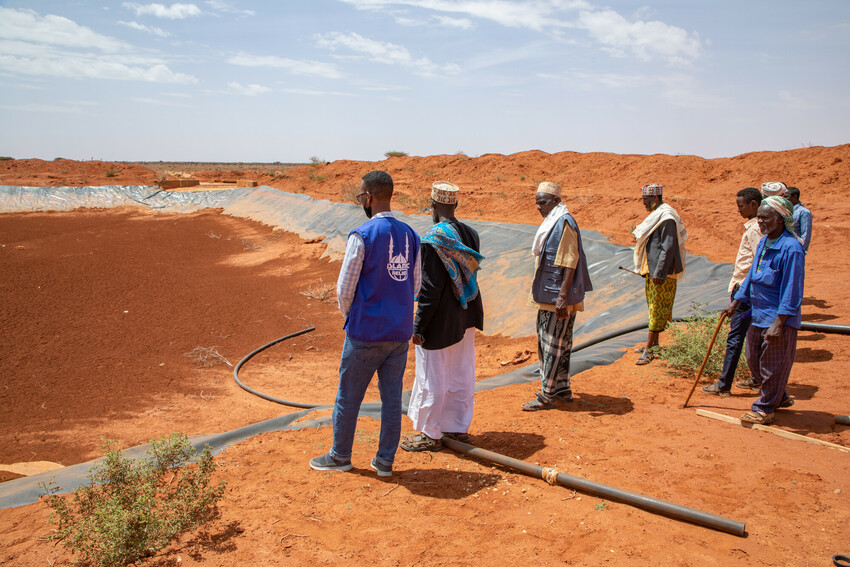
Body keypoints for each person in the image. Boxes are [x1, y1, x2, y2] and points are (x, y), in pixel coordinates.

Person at [310, 170, 421, 477]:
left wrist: (352, 317)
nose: (362, 201)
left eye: (361, 196)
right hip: (398, 335)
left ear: (370, 198)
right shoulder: (412, 236)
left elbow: (344, 289)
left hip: (365, 333)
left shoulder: (361, 236)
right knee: (391, 400)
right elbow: (415, 284)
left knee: (348, 397)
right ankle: (385, 462)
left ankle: (340, 455)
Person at [401, 181, 485, 451]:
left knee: (432, 376)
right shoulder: (470, 234)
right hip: (466, 314)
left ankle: (430, 433)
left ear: (433, 205)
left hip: (440, 320)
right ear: (455, 205)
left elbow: (430, 289)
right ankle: (457, 427)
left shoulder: (433, 239)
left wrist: (419, 325)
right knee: (461, 372)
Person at [724, 196, 805, 424]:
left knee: (772, 365)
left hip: (778, 318)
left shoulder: (791, 248)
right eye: (759, 217)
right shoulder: (764, 242)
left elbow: (792, 289)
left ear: (780, 219)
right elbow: (752, 276)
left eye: (765, 217)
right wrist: (736, 302)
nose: (760, 221)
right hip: (758, 314)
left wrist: (779, 322)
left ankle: (765, 408)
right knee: (753, 359)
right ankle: (778, 396)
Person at [522, 181, 593, 411]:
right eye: (537, 203)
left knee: (550, 343)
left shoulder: (564, 222)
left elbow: (570, 261)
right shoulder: (555, 221)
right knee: (560, 343)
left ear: (555, 201)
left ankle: (547, 393)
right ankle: (562, 388)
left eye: (542, 202)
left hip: (557, 298)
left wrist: (562, 296)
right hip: (551, 295)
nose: (538, 207)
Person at [702, 187, 762, 396]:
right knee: (755, 336)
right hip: (752, 292)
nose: (738, 209)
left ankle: (724, 384)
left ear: (753, 205)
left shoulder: (755, 229)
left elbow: (757, 264)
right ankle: (757, 379)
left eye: (741, 205)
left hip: (744, 292)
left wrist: (737, 298)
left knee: (736, 336)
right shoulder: (757, 227)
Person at [632, 184, 688, 365]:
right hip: (652, 269)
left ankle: (649, 350)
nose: (644, 204)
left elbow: (668, 247)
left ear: (655, 198)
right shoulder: (659, 216)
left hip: (661, 272)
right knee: (653, 307)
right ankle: (654, 345)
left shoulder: (667, 218)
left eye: (646, 200)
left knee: (657, 310)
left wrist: (660, 272)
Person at [783, 186, 812, 253]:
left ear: (795, 197)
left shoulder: (803, 212)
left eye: (786, 197)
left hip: (795, 250)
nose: (784, 199)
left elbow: (806, 234)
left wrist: (801, 251)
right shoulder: (785, 210)